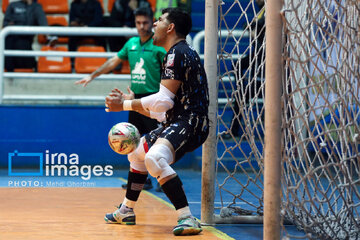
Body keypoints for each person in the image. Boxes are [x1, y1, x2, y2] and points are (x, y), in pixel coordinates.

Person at [103, 8, 209, 236]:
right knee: (136, 152)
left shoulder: (177, 53)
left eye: (159, 21)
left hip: (191, 123)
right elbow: (163, 111)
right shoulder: (177, 53)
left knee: (154, 157)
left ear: (170, 28)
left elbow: (161, 101)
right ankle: (126, 210)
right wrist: (135, 103)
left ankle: (187, 218)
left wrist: (124, 105)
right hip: (179, 121)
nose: (154, 25)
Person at [75, 7, 167, 191]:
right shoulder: (131, 43)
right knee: (135, 141)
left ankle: (164, 179)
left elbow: (168, 72)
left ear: (152, 22)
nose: (142, 26)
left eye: (145, 23)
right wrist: (92, 76)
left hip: (153, 100)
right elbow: (113, 62)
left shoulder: (158, 46)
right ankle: (142, 180)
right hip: (134, 100)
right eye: (138, 23)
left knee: (158, 143)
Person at [225, 0, 265, 139]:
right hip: (260, 53)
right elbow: (249, 25)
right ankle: (241, 88)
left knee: (274, 95)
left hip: (274, 56)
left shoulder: (272, 10)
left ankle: (271, 124)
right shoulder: (261, 12)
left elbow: (260, 27)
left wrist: (254, 26)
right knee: (237, 67)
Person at [2, 0, 47, 72]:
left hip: (26, 40)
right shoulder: (13, 5)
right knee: (8, 40)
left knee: (22, 44)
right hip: (12, 37)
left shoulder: (37, 7)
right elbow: (5, 25)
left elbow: (43, 25)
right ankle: (8, 69)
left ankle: (10, 70)